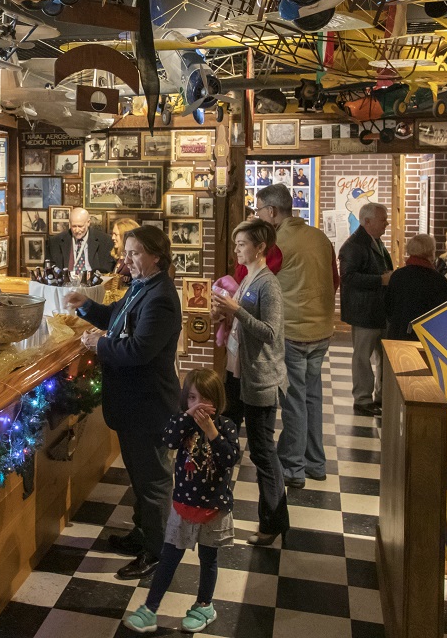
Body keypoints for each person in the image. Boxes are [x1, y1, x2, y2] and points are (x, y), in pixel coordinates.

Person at [64, 226, 182, 579]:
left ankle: (157, 552)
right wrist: (87, 306)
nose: (126, 259)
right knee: (140, 476)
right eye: (126, 252)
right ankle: (143, 534)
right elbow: (117, 317)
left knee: (153, 482)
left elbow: (139, 350)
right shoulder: (142, 285)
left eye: (134, 253)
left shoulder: (160, 296)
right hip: (133, 403)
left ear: (156, 256)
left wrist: (97, 346)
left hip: (148, 404)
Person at [121, 369, 240, 634]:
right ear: (186, 399)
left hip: (214, 508)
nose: (199, 404)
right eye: (193, 398)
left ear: (218, 401)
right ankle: (150, 609)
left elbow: (230, 459)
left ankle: (204, 605)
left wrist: (211, 431)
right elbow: (168, 439)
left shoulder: (226, 426)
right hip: (183, 505)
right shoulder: (182, 424)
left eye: (206, 398)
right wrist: (186, 418)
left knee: (208, 560)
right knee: (169, 558)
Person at [211, 218, 290, 546]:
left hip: (259, 378)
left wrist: (236, 310)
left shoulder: (268, 284)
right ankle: (215, 513)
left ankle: (272, 523)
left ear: (260, 247)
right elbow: (244, 325)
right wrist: (226, 315)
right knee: (224, 443)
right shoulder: (248, 279)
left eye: (243, 244)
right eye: (236, 243)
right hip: (236, 375)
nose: (237, 249)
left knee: (261, 451)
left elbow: (270, 333)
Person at [254, 183, 338, 488]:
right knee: (312, 397)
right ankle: (316, 462)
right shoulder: (319, 237)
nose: (258, 214)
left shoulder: (276, 243)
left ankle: (292, 466)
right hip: (322, 329)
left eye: (259, 209)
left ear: (272, 212)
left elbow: (260, 284)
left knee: (293, 400)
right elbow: (335, 279)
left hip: (292, 331)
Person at [339, 202, 392, 416]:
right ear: (367, 222)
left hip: (380, 310)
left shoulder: (375, 241)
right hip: (364, 312)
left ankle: (382, 396)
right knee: (362, 357)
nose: (387, 223)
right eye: (383, 219)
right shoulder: (353, 246)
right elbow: (348, 278)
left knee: (384, 357)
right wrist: (381, 280)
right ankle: (362, 399)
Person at [386, 235, 447, 341]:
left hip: (398, 334)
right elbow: (446, 312)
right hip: (425, 337)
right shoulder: (437, 280)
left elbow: (389, 307)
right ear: (430, 251)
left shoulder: (398, 275)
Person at [46, 206, 114, 274]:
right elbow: (49, 267)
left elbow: (108, 268)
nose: (77, 230)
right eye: (74, 226)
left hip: (93, 282)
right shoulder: (55, 242)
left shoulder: (105, 240)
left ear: (88, 222)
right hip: (67, 282)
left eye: (80, 226)